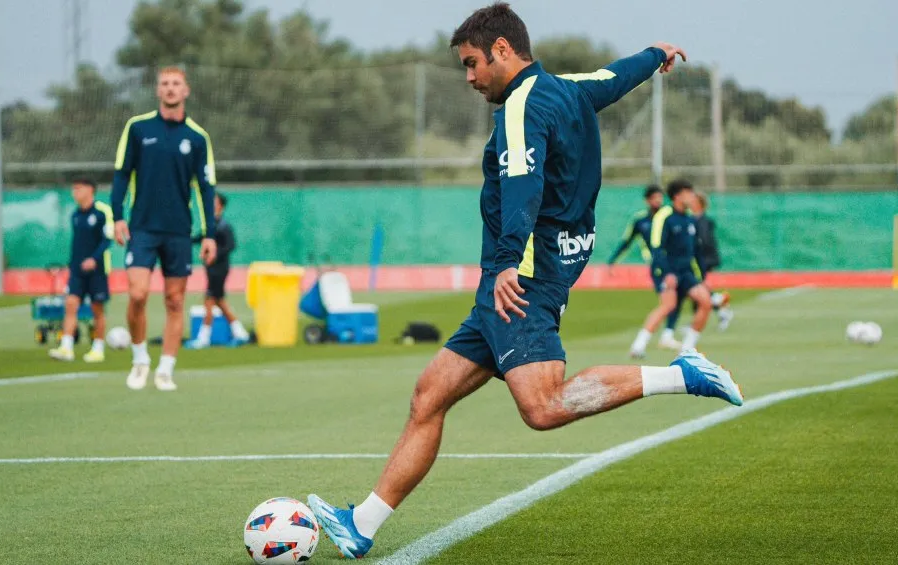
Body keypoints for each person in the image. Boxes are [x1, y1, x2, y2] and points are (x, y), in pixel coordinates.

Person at [307, 4, 743, 559]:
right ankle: (361, 524)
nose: (469, 77)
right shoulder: (568, 88)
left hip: (522, 278)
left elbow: (521, 184)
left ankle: (682, 374)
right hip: (532, 271)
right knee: (429, 395)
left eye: (472, 64)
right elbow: (616, 75)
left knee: (542, 408)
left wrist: (509, 261)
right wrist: (655, 55)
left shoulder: (517, 109)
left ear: (503, 51)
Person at [111, 66, 218, 392]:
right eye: (165, 84)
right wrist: (117, 215)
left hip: (178, 231)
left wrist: (209, 232)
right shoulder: (138, 128)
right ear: (158, 91)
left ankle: (166, 369)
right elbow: (121, 174)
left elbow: (206, 187)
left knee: (175, 301)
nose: (170, 89)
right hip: (142, 228)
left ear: (186, 91)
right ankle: (140, 358)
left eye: (176, 84)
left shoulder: (198, 138)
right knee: (138, 294)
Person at [629, 180, 713, 357]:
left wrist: (704, 277)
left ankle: (687, 348)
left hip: (686, 272)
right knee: (668, 305)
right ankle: (639, 345)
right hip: (666, 270)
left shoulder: (690, 219)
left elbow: (696, 250)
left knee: (705, 302)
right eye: (688, 193)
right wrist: (667, 273)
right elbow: (657, 247)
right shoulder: (664, 216)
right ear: (677, 196)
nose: (692, 197)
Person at [607, 184, 682, 350]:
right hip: (659, 266)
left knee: (676, 300)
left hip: (674, 265)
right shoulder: (640, 220)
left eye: (660, 197)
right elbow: (627, 241)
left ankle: (666, 335)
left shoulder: (669, 215)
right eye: (654, 197)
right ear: (647, 200)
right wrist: (613, 261)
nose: (658, 200)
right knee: (669, 303)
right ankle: (641, 342)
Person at [48, 178, 113, 363]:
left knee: (97, 309)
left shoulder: (102, 212)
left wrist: (94, 258)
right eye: (73, 188)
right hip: (77, 270)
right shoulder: (75, 214)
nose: (74, 192)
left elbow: (107, 240)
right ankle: (66, 347)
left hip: (98, 270)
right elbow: (77, 243)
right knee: (71, 304)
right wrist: (71, 264)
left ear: (90, 189)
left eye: (78, 188)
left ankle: (98, 348)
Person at [187, 192, 250, 348]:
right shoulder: (211, 225)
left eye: (214, 201)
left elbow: (231, 245)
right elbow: (199, 238)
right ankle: (241, 333)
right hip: (211, 268)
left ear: (220, 206)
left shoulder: (223, 226)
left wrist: (215, 254)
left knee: (209, 300)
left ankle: (204, 337)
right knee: (219, 302)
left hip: (219, 269)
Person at [691, 192, 734, 331]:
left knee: (696, 287)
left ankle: (720, 302)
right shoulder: (694, 219)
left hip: (703, 259)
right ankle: (720, 309)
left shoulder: (703, 221)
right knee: (696, 289)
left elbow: (704, 241)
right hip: (699, 259)